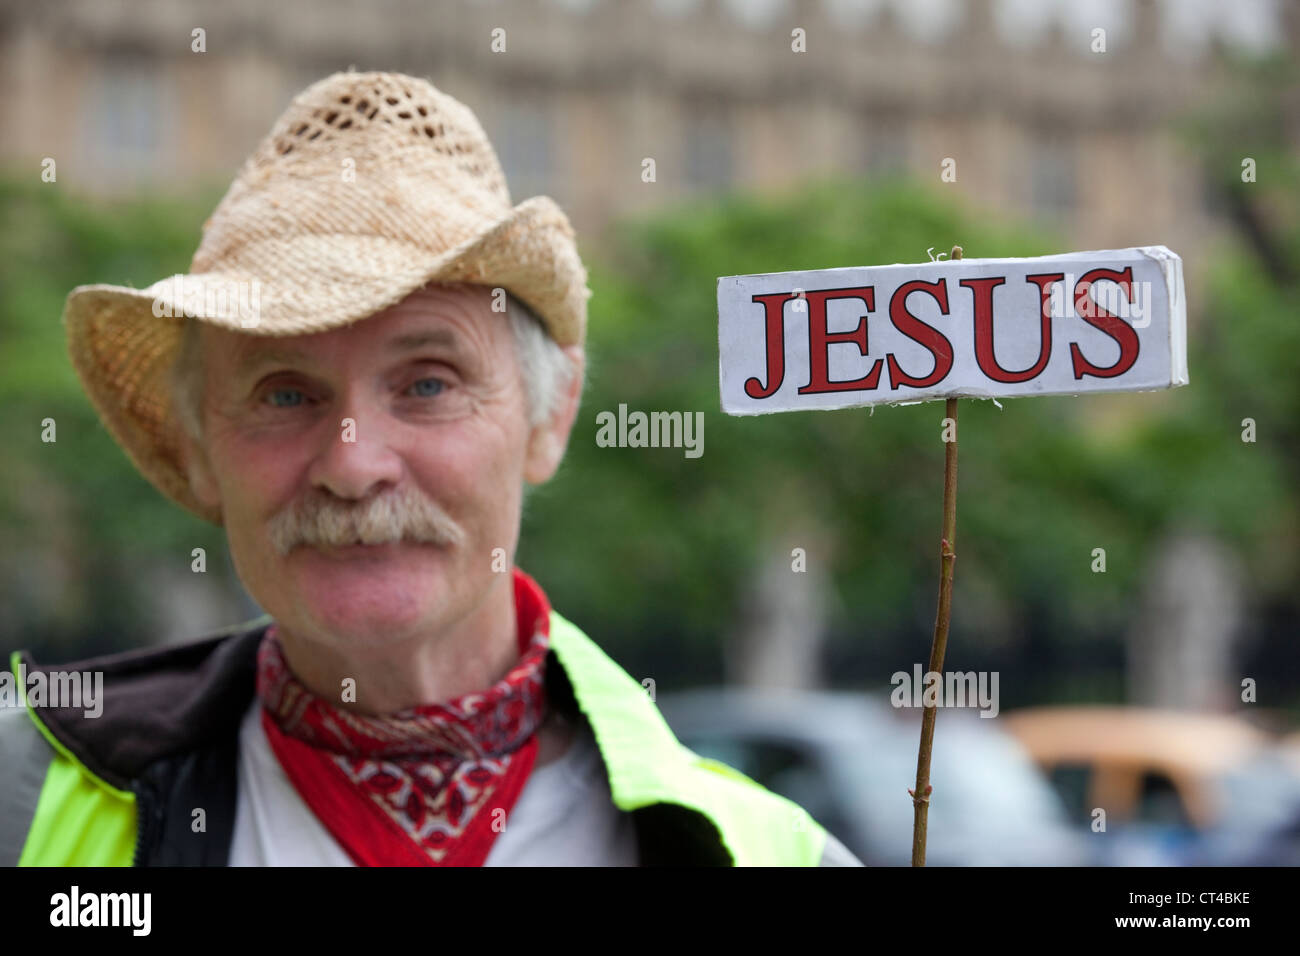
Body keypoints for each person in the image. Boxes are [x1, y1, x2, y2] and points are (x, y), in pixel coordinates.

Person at [0, 70, 861, 867]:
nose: (353, 464)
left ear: (546, 419)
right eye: (284, 395)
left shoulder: (763, 853)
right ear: (196, 453)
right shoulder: (26, 797)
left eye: (426, 383)